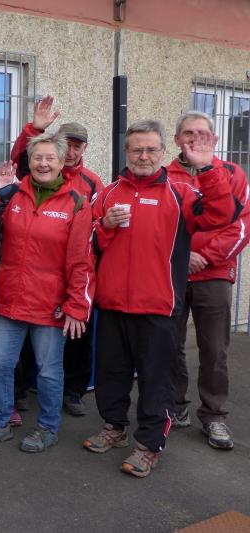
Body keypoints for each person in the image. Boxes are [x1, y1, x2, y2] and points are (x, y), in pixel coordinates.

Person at [84, 120, 239, 478]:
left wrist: (207, 168)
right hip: (112, 304)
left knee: (157, 381)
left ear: (162, 152)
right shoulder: (108, 193)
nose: (144, 156)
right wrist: (105, 226)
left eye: (151, 149)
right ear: (126, 151)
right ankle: (114, 427)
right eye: (137, 149)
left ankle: (150, 445)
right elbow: (87, 242)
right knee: (111, 374)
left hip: (158, 306)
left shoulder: (181, 192)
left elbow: (221, 216)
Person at [0, 132, 94, 453]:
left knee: (48, 372)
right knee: (1, 367)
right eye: (37, 157)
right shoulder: (13, 195)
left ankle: (47, 427)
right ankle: (0, 422)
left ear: (61, 162)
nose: (43, 163)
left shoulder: (76, 203)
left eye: (50, 158)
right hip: (10, 300)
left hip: (50, 304)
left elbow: (81, 261)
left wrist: (77, 306)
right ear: (28, 162)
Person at [10, 95, 104, 416]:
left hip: (75, 269)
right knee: (28, 332)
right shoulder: (36, 173)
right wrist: (33, 129)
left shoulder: (92, 182)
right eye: (68, 143)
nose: (72, 150)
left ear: (84, 149)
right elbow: (18, 159)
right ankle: (24, 387)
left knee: (77, 333)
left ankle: (73, 392)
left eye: (78, 145)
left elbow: (96, 226)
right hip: (38, 272)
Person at [166, 111, 250, 450]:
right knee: (169, 344)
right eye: (188, 132)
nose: (194, 138)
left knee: (214, 349)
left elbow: (241, 226)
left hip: (214, 274)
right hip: (172, 273)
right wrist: (182, 257)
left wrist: (205, 257)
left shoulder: (232, 174)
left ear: (214, 139)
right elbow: (157, 227)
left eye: (202, 133)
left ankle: (214, 415)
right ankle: (175, 405)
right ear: (177, 139)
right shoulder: (163, 175)